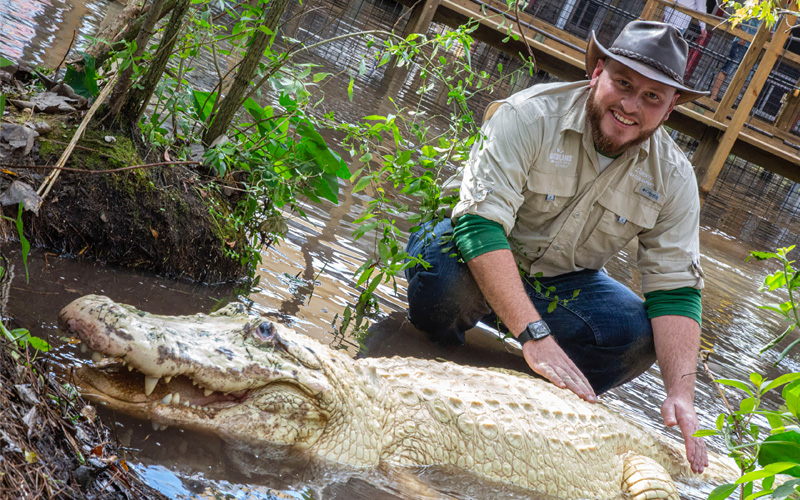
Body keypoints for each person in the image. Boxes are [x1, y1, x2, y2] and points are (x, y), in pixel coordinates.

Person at [404, 21, 709, 473]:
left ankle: (518, 402)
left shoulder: (676, 178)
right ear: (597, 71)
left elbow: (676, 291)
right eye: (623, 84)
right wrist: (535, 335)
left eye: (652, 97)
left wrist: (681, 394)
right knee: (445, 282)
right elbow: (478, 224)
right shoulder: (526, 115)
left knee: (637, 335)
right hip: (470, 251)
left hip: (565, 281)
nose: (630, 106)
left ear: (671, 108)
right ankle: (435, 364)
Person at [710, 17, 761, 100]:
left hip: (754, 48)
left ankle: (730, 101)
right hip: (741, 43)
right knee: (727, 69)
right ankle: (713, 96)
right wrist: (741, 35)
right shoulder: (751, 7)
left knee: (744, 76)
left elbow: (771, 35)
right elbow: (735, 20)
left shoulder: (771, 16)